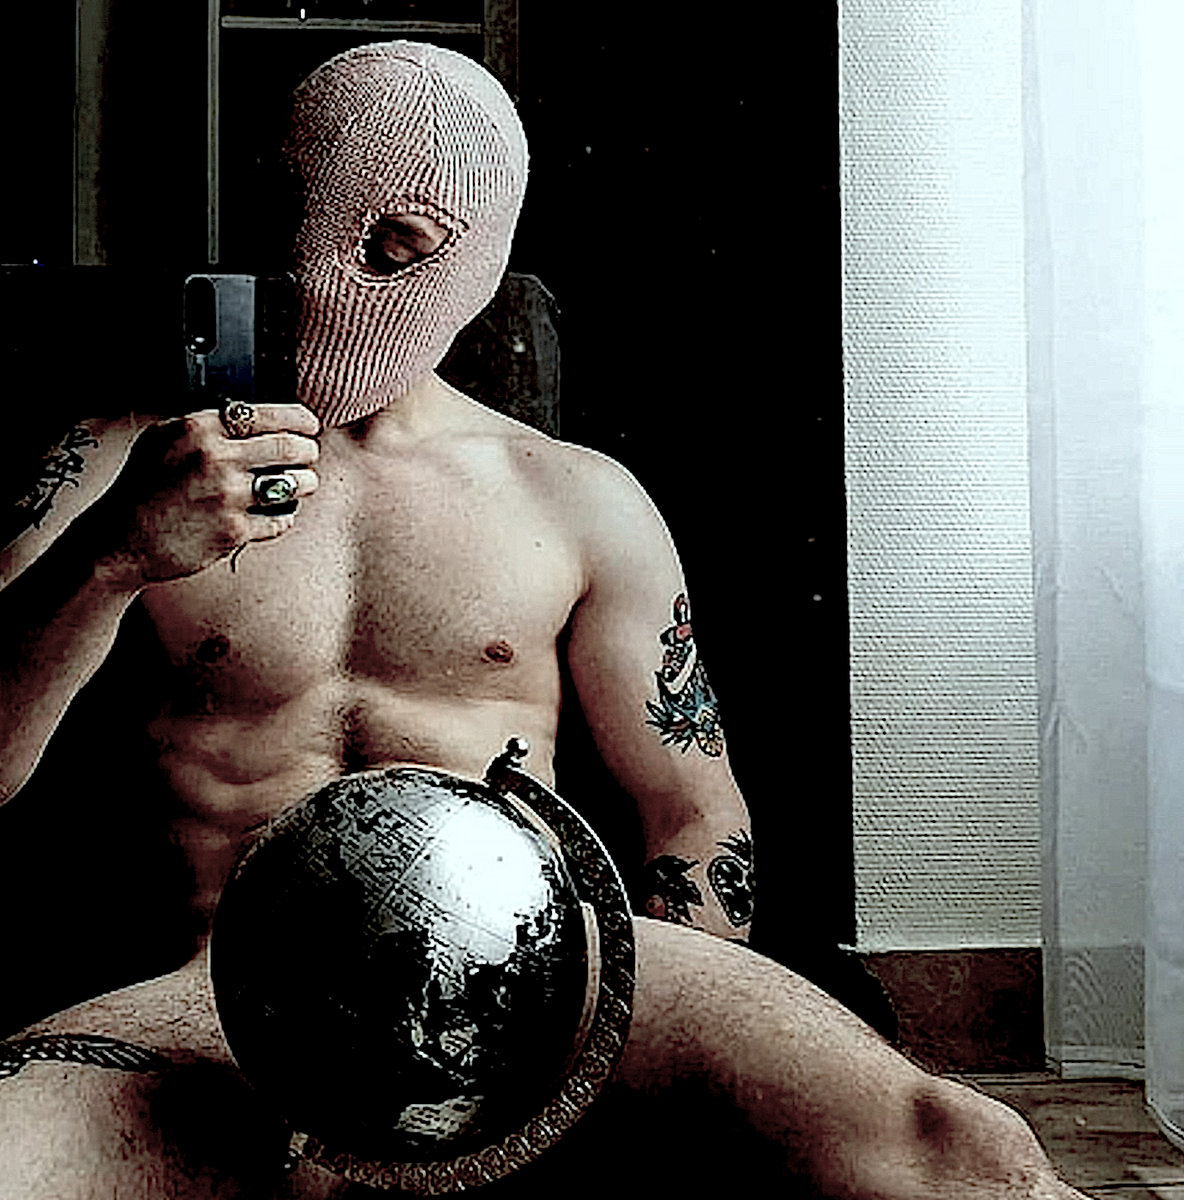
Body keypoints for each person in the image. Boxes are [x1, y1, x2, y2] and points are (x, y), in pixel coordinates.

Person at [0, 41, 1083, 1197]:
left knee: (971, 1155)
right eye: (288, 226)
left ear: (469, 262)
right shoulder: (116, 465)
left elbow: (691, 806)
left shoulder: (575, 499)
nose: (321, 282)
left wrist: (633, 1050)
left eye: (396, 247)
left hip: (539, 984)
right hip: (221, 1005)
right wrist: (115, 558)